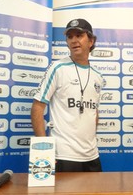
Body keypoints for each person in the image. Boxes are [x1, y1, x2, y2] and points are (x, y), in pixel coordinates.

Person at [31, 18, 105, 172]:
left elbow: (94, 112)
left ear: (91, 41)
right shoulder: (58, 68)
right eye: (70, 36)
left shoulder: (97, 76)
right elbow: (38, 107)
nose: (74, 40)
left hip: (92, 156)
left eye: (79, 35)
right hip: (63, 156)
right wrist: (45, 150)